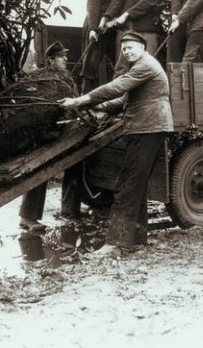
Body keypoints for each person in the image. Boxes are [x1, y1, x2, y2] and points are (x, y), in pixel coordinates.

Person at [60, 31, 173, 257]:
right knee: (136, 186)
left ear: (143, 47)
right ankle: (137, 238)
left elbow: (117, 87)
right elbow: (123, 99)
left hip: (147, 128)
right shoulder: (140, 68)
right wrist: (99, 107)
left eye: (131, 47)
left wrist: (81, 100)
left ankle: (116, 244)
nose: (127, 51)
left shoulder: (145, 66)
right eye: (124, 49)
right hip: (148, 128)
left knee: (126, 186)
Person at [19, 42, 86, 231]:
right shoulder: (45, 80)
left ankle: (69, 211)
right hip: (48, 132)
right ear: (51, 60)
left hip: (66, 130)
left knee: (77, 162)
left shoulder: (65, 77)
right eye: (61, 56)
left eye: (65, 56)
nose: (66, 59)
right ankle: (27, 217)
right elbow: (44, 109)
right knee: (41, 170)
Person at [79, 0, 123, 93]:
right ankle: (84, 101)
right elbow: (93, 5)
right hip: (96, 24)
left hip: (112, 27)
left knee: (117, 63)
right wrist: (92, 29)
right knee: (90, 65)